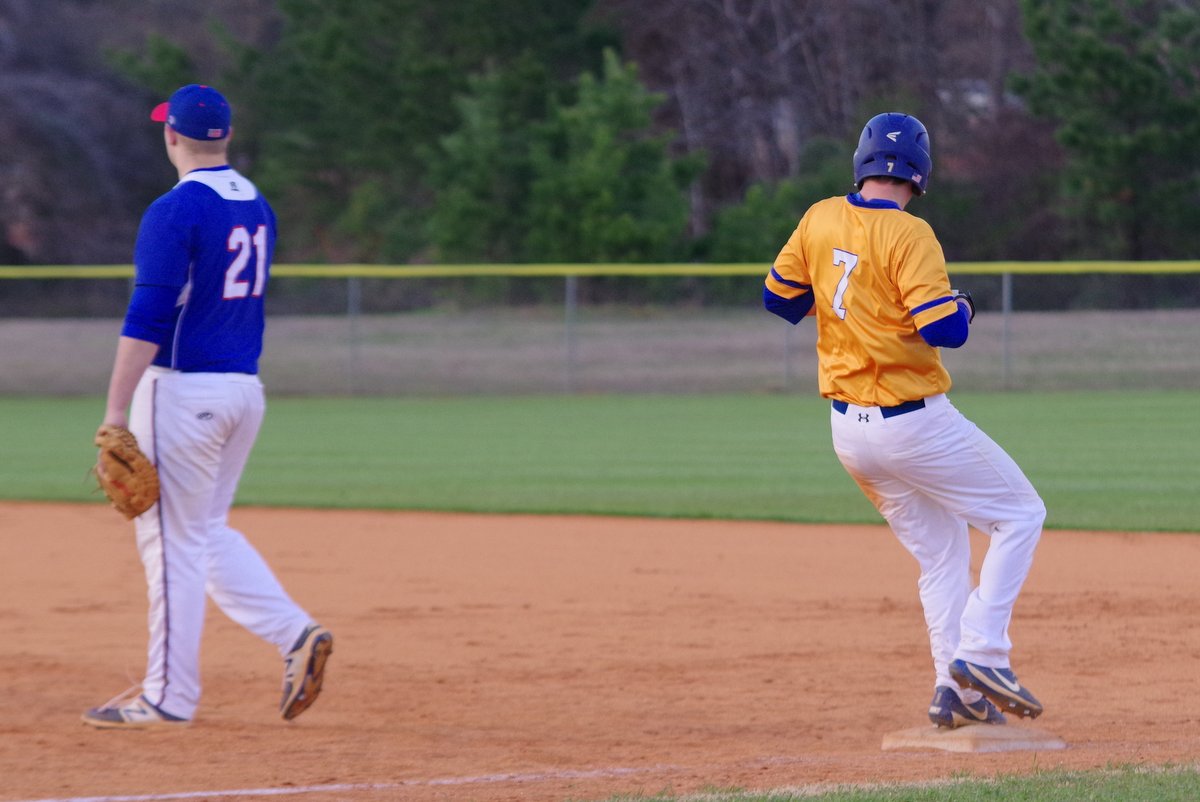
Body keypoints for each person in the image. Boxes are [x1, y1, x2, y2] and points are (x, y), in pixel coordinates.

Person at [762, 112, 1046, 729]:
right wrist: (965, 306)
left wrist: (852, 308)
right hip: (913, 424)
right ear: (920, 172)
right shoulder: (911, 233)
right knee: (1020, 515)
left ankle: (955, 692)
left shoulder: (819, 217)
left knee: (942, 556)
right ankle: (984, 654)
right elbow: (945, 330)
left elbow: (778, 299)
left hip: (849, 433)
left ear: (860, 163)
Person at [83, 84, 333, 728]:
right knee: (206, 531)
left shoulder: (173, 209)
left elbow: (148, 314)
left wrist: (114, 410)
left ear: (171, 135)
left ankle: (167, 697)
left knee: (170, 545)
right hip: (242, 390)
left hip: (182, 390)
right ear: (226, 136)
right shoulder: (256, 202)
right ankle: (295, 633)